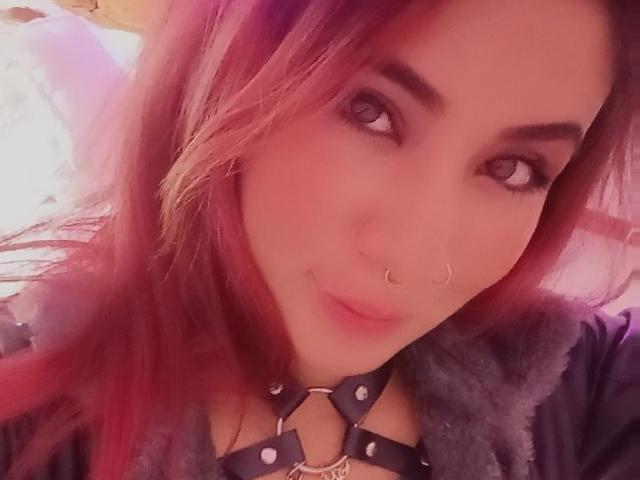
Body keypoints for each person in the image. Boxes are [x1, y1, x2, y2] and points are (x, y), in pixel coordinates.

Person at [0, 0, 638, 479]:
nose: (413, 259)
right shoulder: (29, 423)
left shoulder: (578, 385)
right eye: (370, 111)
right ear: (226, 68)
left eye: (514, 169)